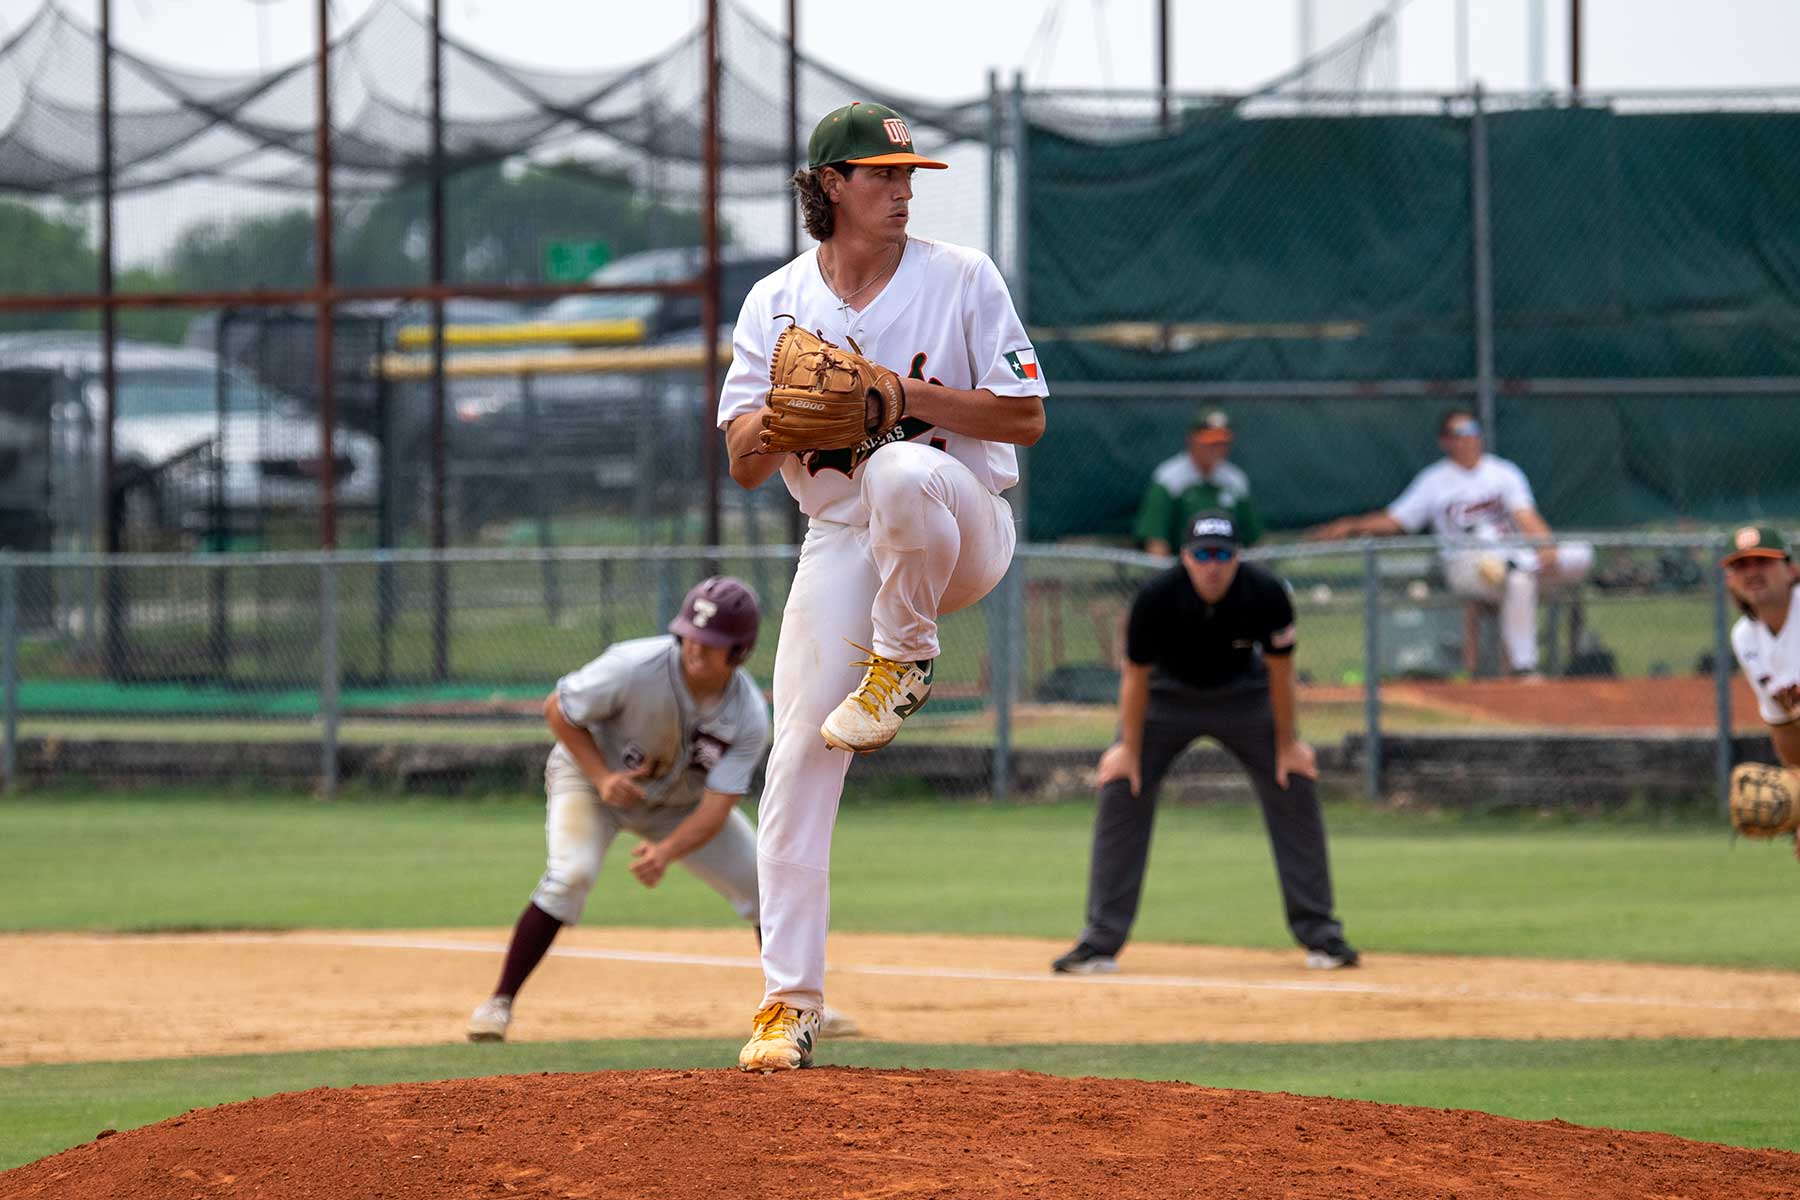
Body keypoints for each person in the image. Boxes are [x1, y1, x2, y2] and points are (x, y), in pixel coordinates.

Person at [717, 101, 1047, 1071]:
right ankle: (787, 1007)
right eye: (883, 176)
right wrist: (784, 418)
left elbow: (1025, 417)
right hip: (842, 541)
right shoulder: (776, 301)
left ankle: (905, 659)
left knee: (900, 469)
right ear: (831, 186)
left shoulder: (962, 277)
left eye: (910, 177)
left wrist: (902, 396)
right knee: (796, 758)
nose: (904, 191)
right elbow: (742, 461)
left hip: (960, 522)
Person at [465, 576, 856, 1044]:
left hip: (679, 806)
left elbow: (717, 806)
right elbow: (558, 709)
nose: (697, 648)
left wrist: (666, 851)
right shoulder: (633, 665)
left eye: (712, 642)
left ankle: (799, 1005)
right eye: (691, 634)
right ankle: (498, 1003)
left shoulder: (747, 714)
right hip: (589, 782)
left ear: (739, 651)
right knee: (570, 876)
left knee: (763, 883)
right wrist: (602, 777)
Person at [1052, 511, 1357, 976]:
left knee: (1293, 779)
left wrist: (1289, 744)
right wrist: (1128, 749)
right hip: (1166, 697)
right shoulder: (1156, 597)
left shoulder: (1266, 594)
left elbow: (1281, 673)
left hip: (1244, 696)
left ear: (1238, 557)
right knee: (1121, 782)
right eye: (1203, 554)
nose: (1212, 565)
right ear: (1185, 557)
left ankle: (1322, 935)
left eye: (1222, 554)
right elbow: (1135, 676)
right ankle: (1100, 941)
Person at [1306, 408, 1592, 677]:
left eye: (1474, 430)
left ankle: (1526, 593)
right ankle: (1523, 668)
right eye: (1461, 432)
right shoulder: (1434, 480)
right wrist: (1350, 525)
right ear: (1445, 441)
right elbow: (1396, 521)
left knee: (1578, 555)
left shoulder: (1503, 472)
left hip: (1516, 557)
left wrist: (1546, 547)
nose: (1469, 438)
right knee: (1518, 581)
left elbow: (1525, 516)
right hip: (1468, 564)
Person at [1134, 408, 1263, 555]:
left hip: (1226, 564)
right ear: (1191, 440)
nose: (1216, 448)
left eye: (1221, 443)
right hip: (1181, 565)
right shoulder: (1169, 480)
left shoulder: (1236, 480)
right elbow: (1156, 541)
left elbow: (1253, 541)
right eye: (1210, 442)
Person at [1723, 526, 1800, 770]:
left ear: (1791, 570)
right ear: (1730, 581)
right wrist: (1795, 777)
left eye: (1763, 561)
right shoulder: (1745, 638)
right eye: (1740, 565)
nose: (1752, 572)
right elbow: (1783, 725)